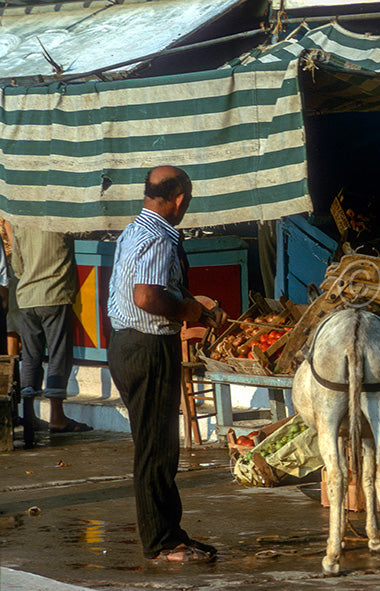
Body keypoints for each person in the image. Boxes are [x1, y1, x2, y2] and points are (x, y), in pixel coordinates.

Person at [107, 165, 227, 563]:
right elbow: (146, 297)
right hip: (147, 347)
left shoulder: (134, 230)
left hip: (127, 344)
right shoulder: (158, 236)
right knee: (157, 449)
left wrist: (192, 302)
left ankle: (169, 534)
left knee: (155, 446)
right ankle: (162, 542)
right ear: (180, 199)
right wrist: (188, 309)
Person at [9, 223, 92, 434]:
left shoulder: (21, 223)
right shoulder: (59, 219)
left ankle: (29, 415)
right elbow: (85, 231)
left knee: (30, 357)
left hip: (27, 297)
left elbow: (17, 267)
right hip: (55, 294)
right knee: (58, 354)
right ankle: (57, 416)